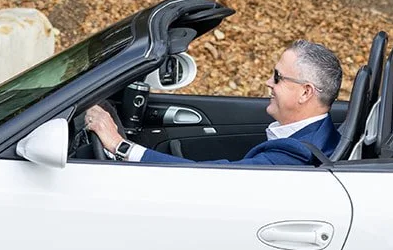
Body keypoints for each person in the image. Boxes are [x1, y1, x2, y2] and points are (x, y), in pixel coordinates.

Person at [85, 40, 342, 166]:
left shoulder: (291, 157)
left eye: (277, 77)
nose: (268, 82)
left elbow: (211, 180)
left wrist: (120, 146)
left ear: (306, 92)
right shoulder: (324, 133)